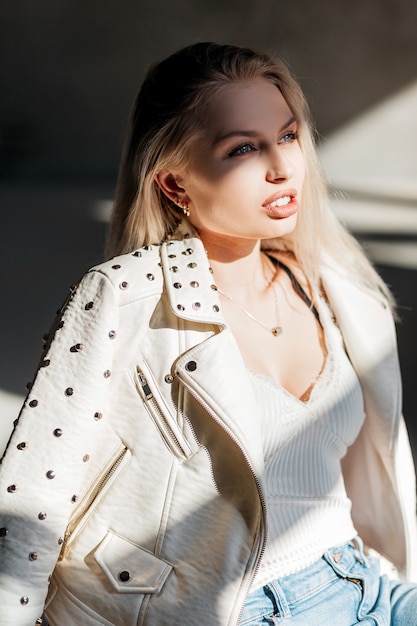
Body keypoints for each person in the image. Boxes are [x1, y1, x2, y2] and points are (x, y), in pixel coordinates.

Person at [0, 42, 416, 626]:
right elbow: (31, 496)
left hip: (367, 583)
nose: (281, 166)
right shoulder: (127, 296)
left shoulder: (334, 285)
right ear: (174, 185)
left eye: (289, 135)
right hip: (246, 608)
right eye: (244, 147)